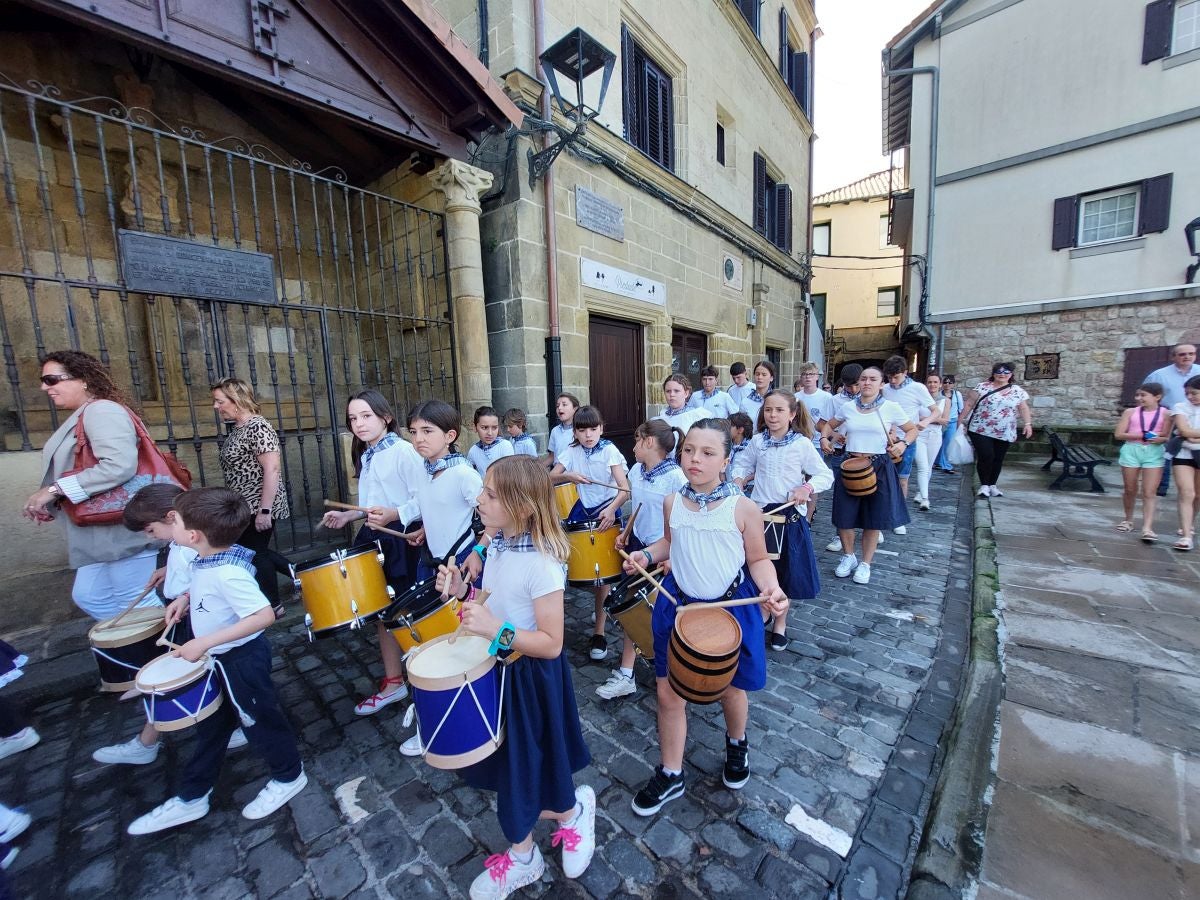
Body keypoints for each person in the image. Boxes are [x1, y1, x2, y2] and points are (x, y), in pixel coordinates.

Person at [434, 457, 594, 898]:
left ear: (522, 507)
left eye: (489, 495)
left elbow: (552, 642)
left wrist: (494, 629)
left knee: (530, 763)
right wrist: (462, 593)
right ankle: (536, 841)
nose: (479, 500)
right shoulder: (501, 545)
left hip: (531, 678)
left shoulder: (541, 565)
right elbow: (491, 604)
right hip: (500, 670)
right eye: (482, 491)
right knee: (513, 765)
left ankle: (559, 825)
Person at [623, 419, 787, 815]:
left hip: (729, 612)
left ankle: (736, 744)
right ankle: (671, 772)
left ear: (726, 461)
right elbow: (669, 542)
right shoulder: (671, 501)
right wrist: (647, 555)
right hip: (677, 607)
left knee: (732, 690)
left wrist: (772, 589)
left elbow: (758, 558)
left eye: (708, 452)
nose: (696, 459)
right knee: (667, 692)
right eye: (690, 450)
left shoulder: (743, 508)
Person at [127, 487, 306, 834]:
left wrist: (204, 641)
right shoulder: (208, 559)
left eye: (174, 520)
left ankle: (289, 775)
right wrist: (186, 598)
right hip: (219, 658)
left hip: (241, 659)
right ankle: (192, 796)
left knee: (261, 720)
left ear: (192, 535)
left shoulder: (228, 572)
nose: (170, 525)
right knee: (213, 725)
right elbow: (207, 586)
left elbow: (263, 615)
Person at [92, 484, 248, 763]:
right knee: (207, 677)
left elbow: (207, 571)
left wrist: (186, 596)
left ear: (171, 518)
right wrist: (168, 570)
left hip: (199, 619)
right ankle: (149, 741)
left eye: (151, 530)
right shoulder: (180, 543)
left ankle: (153, 743)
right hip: (189, 614)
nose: (151, 538)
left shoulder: (190, 546)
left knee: (212, 677)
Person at [23, 351, 160, 620]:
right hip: (102, 529)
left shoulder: (102, 410)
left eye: (51, 380)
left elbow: (118, 465)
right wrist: (53, 501)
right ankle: (131, 648)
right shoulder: (86, 413)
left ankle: (166, 653)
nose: (44, 387)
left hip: (120, 525)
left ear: (83, 379)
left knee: (134, 598)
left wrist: (53, 490)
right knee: (91, 595)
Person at [319, 390, 424, 716]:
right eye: (353, 418)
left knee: (408, 613)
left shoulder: (404, 451)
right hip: (373, 537)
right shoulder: (366, 454)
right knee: (382, 614)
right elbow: (370, 505)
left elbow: (424, 498)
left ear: (385, 417)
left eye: (365, 416)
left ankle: (428, 682)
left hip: (402, 539)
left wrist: (395, 515)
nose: (358, 424)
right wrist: (351, 515)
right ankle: (394, 682)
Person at [732, 391, 830, 649]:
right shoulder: (757, 441)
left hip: (788, 517)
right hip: (760, 514)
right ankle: (761, 613)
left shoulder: (801, 444)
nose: (772, 415)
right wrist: (740, 478)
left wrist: (806, 489)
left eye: (779, 410)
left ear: (792, 414)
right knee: (758, 571)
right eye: (768, 410)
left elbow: (824, 475)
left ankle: (780, 623)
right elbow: (742, 465)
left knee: (785, 572)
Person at [601, 419, 687, 700]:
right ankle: (626, 673)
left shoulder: (677, 478)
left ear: (649, 442)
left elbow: (682, 525)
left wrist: (672, 556)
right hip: (638, 548)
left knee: (662, 614)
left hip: (664, 554)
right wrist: (625, 533)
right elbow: (637, 508)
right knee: (631, 611)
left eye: (637, 440)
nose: (633, 446)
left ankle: (677, 669)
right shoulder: (637, 470)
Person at [820, 367, 916, 585]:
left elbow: (911, 429)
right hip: (851, 463)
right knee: (844, 516)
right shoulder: (848, 407)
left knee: (874, 518)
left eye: (873, 379)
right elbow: (828, 425)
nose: (867, 382)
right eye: (863, 379)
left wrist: (903, 443)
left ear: (882, 384)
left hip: (879, 465)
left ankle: (866, 563)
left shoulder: (891, 407)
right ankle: (848, 556)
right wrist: (826, 439)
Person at [550, 406, 631, 661]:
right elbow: (550, 478)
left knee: (603, 576)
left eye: (593, 429)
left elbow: (624, 489)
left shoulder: (609, 451)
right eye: (582, 430)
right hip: (582, 510)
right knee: (568, 565)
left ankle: (599, 632)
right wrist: (569, 476)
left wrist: (610, 510)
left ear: (601, 429)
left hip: (607, 511)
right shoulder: (571, 451)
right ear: (574, 432)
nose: (588, 435)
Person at [211, 378, 291, 614]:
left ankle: (274, 606)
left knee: (255, 552)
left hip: (259, 503)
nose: (216, 407)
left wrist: (264, 510)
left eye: (219, 401)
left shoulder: (258, 426)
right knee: (251, 550)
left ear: (236, 400)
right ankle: (304, 576)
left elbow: (272, 468)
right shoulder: (239, 427)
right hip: (244, 505)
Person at [881, 357, 940, 528]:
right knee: (884, 479)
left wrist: (925, 422)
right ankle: (885, 512)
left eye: (896, 377)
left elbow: (935, 411)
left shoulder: (918, 388)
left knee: (903, 479)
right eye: (889, 377)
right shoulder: (885, 389)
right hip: (887, 440)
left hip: (908, 438)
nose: (892, 381)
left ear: (905, 373)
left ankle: (899, 516)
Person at [959, 363, 1034, 498]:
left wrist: (1027, 423)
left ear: (1011, 374)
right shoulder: (982, 387)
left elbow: (1023, 408)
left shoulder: (1017, 391)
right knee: (986, 455)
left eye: (1006, 372)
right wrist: (960, 420)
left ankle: (992, 485)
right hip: (980, 428)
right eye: (998, 372)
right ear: (993, 374)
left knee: (998, 458)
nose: (1002, 374)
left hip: (1004, 430)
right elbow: (969, 403)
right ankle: (984, 485)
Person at [1114, 383, 1169, 543]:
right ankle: (1128, 519)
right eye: (1137, 395)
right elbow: (1119, 434)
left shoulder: (1166, 414)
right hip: (1132, 450)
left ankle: (1147, 527)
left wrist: (1153, 437)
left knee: (1149, 492)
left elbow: (1165, 436)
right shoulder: (1130, 412)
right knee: (1130, 488)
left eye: (1143, 395)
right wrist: (1142, 435)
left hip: (1153, 452)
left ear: (1157, 397)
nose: (1139, 398)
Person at [1145, 344, 1200, 497]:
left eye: (1191, 353)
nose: (1187, 357)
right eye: (1182, 354)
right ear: (1173, 356)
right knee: (1166, 451)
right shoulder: (1159, 375)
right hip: (1168, 417)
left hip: (1196, 419)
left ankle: (1193, 488)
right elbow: (1147, 395)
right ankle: (1161, 487)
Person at [822, 364, 865, 553]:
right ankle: (841, 534)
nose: (854, 390)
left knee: (866, 495)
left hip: (864, 453)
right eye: (849, 386)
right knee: (842, 497)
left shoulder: (873, 401)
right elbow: (822, 424)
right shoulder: (835, 400)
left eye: (856, 385)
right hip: (841, 453)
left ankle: (869, 528)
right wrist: (835, 435)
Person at [1170, 375, 1200, 551]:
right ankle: (1186, 536)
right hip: (1183, 452)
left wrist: (1191, 436)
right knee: (1186, 492)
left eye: (1194, 393)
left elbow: (1189, 433)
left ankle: (1189, 523)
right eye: (1187, 393)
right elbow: (1183, 430)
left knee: (1198, 495)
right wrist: (1188, 434)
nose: (1190, 397)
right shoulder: (1180, 407)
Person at [913, 374, 952, 512]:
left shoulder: (945, 400)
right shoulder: (919, 399)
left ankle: (920, 491)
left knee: (928, 466)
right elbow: (915, 417)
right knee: (922, 466)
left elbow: (945, 420)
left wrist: (927, 419)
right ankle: (925, 498)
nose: (932, 385)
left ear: (940, 384)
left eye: (935, 382)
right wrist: (935, 418)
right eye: (929, 382)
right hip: (920, 434)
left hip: (935, 434)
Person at [654, 373, 712, 440]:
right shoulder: (662, 415)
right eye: (668, 391)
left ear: (686, 393)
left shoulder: (697, 415)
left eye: (676, 391)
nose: (672, 394)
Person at [467, 406, 515, 477]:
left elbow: (510, 476)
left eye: (494, 428)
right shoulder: (473, 451)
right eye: (484, 427)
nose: (490, 433)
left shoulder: (505, 446)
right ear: (475, 427)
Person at [935, 375, 965, 473]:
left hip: (952, 421)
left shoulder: (957, 394)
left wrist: (960, 423)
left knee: (947, 443)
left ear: (953, 384)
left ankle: (946, 465)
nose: (947, 385)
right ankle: (938, 462)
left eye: (950, 383)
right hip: (940, 421)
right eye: (945, 382)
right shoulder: (939, 394)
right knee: (939, 442)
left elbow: (961, 409)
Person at [542, 393, 580, 470]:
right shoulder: (555, 431)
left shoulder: (580, 430)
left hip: (575, 477)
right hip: (558, 476)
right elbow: (552, 457)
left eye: (564, 404)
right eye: (557, 405)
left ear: (575, 409)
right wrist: (536, 468)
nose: (559, 408)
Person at [727, 412, 754, 492]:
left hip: (747, 489)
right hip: (730, 488)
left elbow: (761, 468)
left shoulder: (751, 446)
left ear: (740, 430)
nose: (726, 429)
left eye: (730, 426)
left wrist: (747, 479)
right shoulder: (728, 447)